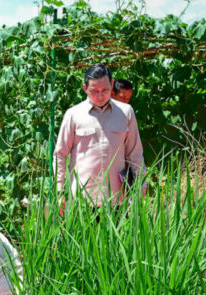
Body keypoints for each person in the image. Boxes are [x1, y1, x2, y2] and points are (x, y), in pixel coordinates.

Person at [54, 64, 145, 207]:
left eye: (105, 90)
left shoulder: (126, 113)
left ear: (112, 84)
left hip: (117, 200)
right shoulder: (73, 115)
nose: (100, 95)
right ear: (85, 89)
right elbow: (60, 154)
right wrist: (59, 191)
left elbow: (135, 153)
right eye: (94, 91)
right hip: (82, 200)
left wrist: (141, 184)